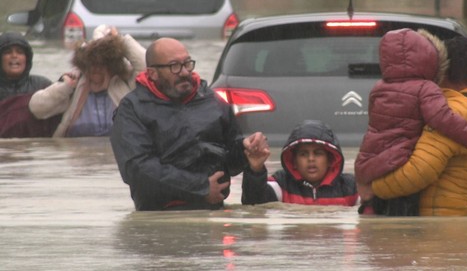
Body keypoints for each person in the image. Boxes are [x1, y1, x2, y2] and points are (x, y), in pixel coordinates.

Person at [109, 37, 270, 211]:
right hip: (160, 217)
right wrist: (200, 187)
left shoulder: (212, 101)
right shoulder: (132, 109)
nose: (185, 72)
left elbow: (229, 162)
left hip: (215, 214)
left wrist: (248, 153)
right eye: (174, 66)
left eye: (187, 64)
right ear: (153, 73)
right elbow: (136, 170)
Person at [369, 36, 467, 216]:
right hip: (454, 228)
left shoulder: (453, 112)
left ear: (440, 69)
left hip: (440, 232)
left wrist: (371, 189)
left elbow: (417, 174)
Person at [29, 25, 146, 137]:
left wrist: (120, 40)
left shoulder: (125, 84)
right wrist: (65, 87)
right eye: (92, 64)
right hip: (78, 153)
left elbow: (146, 65)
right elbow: (37, 109)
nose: (96, 69)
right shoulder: (75, 86)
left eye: (101, 64)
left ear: (112, 66)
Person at [242, 119, 359, 206]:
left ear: (330, 160)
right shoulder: (282, 183)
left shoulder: (350, 187)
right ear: (294, 162)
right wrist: (256, 169)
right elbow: (253, 203)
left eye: (318, 153)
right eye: (303, 154)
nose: (311, 159)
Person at [0, 31, 51, 101]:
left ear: (27, 58)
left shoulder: (41, 85)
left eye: (20, 52)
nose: (14, 56)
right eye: (8, 52)